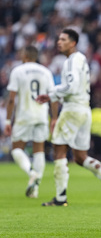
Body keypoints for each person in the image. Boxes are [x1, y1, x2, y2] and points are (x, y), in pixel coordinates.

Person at [36, 28, 101, 206]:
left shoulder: (71, 60)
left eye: (63, 39)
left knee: (59, 150)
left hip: (72, 109)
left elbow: (71, 86)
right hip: (85, 110)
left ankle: (60, 198)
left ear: (73, 43)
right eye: (58, 39)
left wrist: (51, 93)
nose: (59, 42)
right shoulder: (82, 59)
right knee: (80, 156)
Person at [4, 45, 58, 198]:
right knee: (39, 149)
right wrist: (54, 117)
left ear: (25, 55)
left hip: (24, 115)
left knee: (16, 149)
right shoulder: (46, 71)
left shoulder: (18, 70)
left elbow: (12, 99)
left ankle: (31, 173)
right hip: (41, 115)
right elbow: (53, 97)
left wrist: (8, 121)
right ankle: (35, 190)